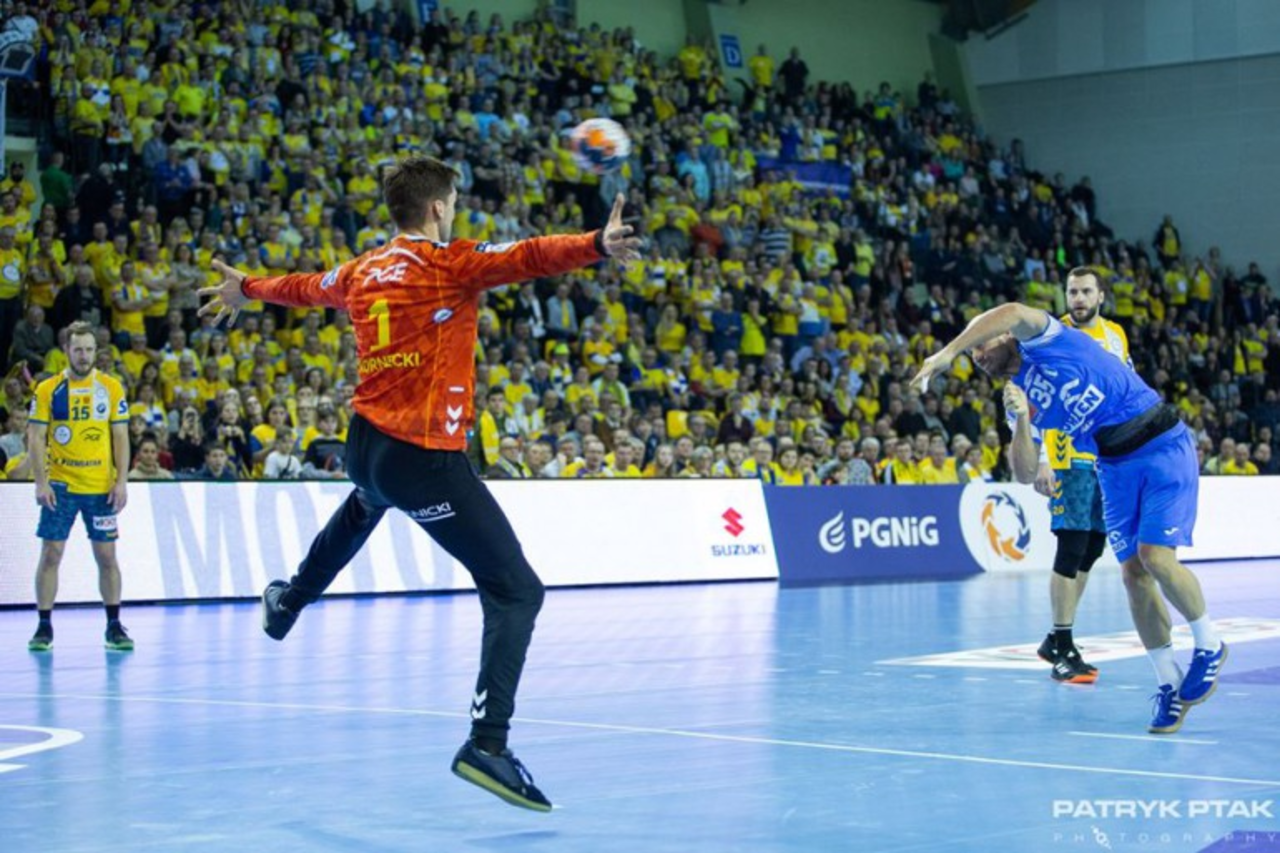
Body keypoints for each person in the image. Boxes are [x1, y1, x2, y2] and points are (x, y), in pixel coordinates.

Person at [198, 155, 640, 812]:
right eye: (453, 202)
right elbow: (525, 257)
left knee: (364, 506)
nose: (455, 213)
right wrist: (596, 244)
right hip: (421, 455)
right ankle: (487, 744)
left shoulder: (362, 269)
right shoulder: (448, 263)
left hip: (365, 445)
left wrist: (251, 288)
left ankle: (286, 603)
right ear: (437, 207)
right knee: (516, 590)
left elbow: (306, 287)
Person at [914, 293, 1226, 735]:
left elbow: (1012, 311)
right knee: (1133, 575)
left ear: (1006, 337)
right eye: (972, 355)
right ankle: (1168, 683)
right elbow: (1024, 473)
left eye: (981, 345)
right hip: (1112, 465)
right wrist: (1023, 421)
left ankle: (1209, 644)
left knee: (1156, 556)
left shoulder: (1047, 339)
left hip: (1159, 442)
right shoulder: (1015, 395)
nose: (977, 357)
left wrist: (948, 352)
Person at [1032, 269, 1132, 685]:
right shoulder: (1052, 337)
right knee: (1071, 545)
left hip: (1104, 456)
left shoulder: (1116, 335)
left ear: (1100, 296)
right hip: (1066, 454)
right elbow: (1036, 398)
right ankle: (1062, 644)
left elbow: (1125, 386)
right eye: (1072, 291)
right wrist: (1042, 459)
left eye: (1086, 291)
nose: (1078, 298)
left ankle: (1056, 638)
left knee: (1092, 547)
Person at [25, 321, 134, 652]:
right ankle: (44, 626)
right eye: (78, 350)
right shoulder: (48, 389)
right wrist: (41, 482)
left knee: (107, 556)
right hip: (60, 487)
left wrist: (121, 481)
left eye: (89, 349)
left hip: (100, 488)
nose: (84, 356)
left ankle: (113, 625)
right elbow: (35, 437)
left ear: (96, 351)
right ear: (66, 351)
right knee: (51, 553)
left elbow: (120, 436)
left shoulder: (111, 388)